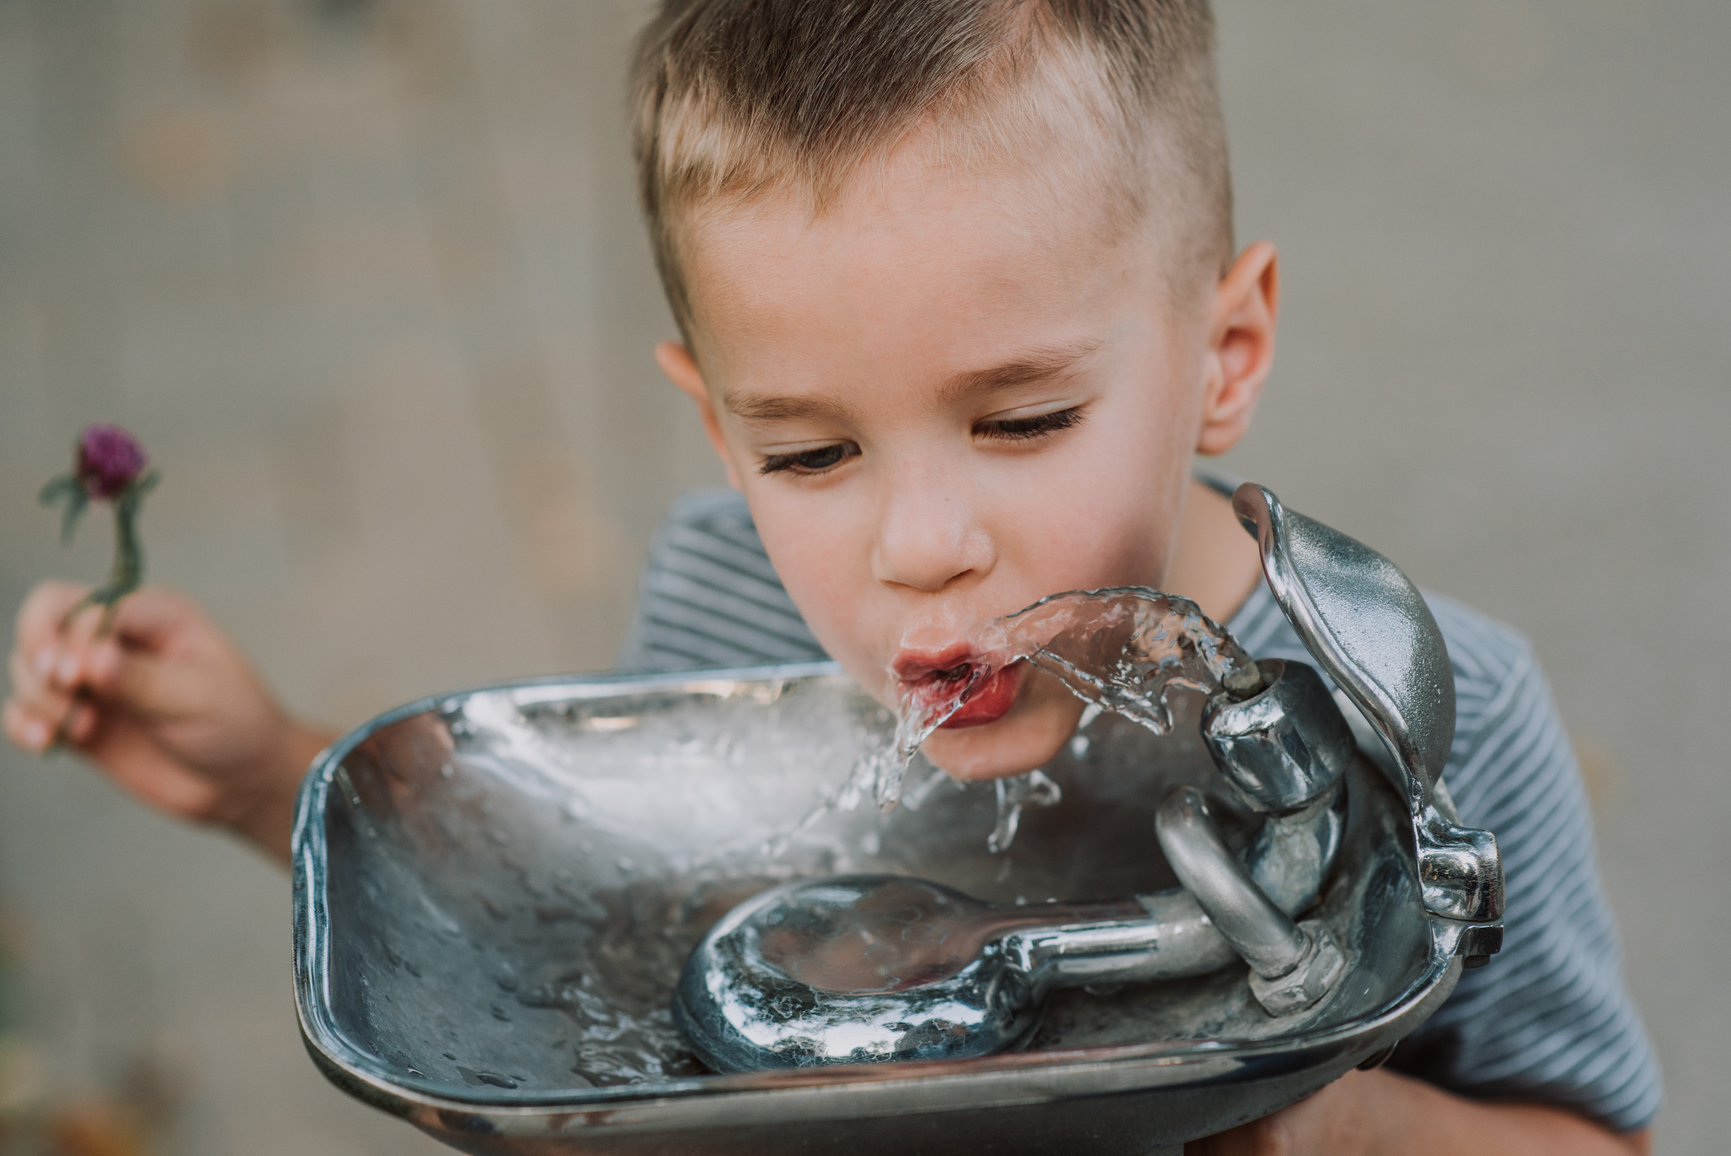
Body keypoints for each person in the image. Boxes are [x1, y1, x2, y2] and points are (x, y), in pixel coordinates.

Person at [3, 1, 1658, 1151]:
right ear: (716, 430)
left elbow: (1593, 1135)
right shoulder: (722, 600)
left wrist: (1340, 1126)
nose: (915, 548)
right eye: (807, 453)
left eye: (1019, 419)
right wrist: (266, 781)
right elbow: (579, 939)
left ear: (1225, 352)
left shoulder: (1427, 709)